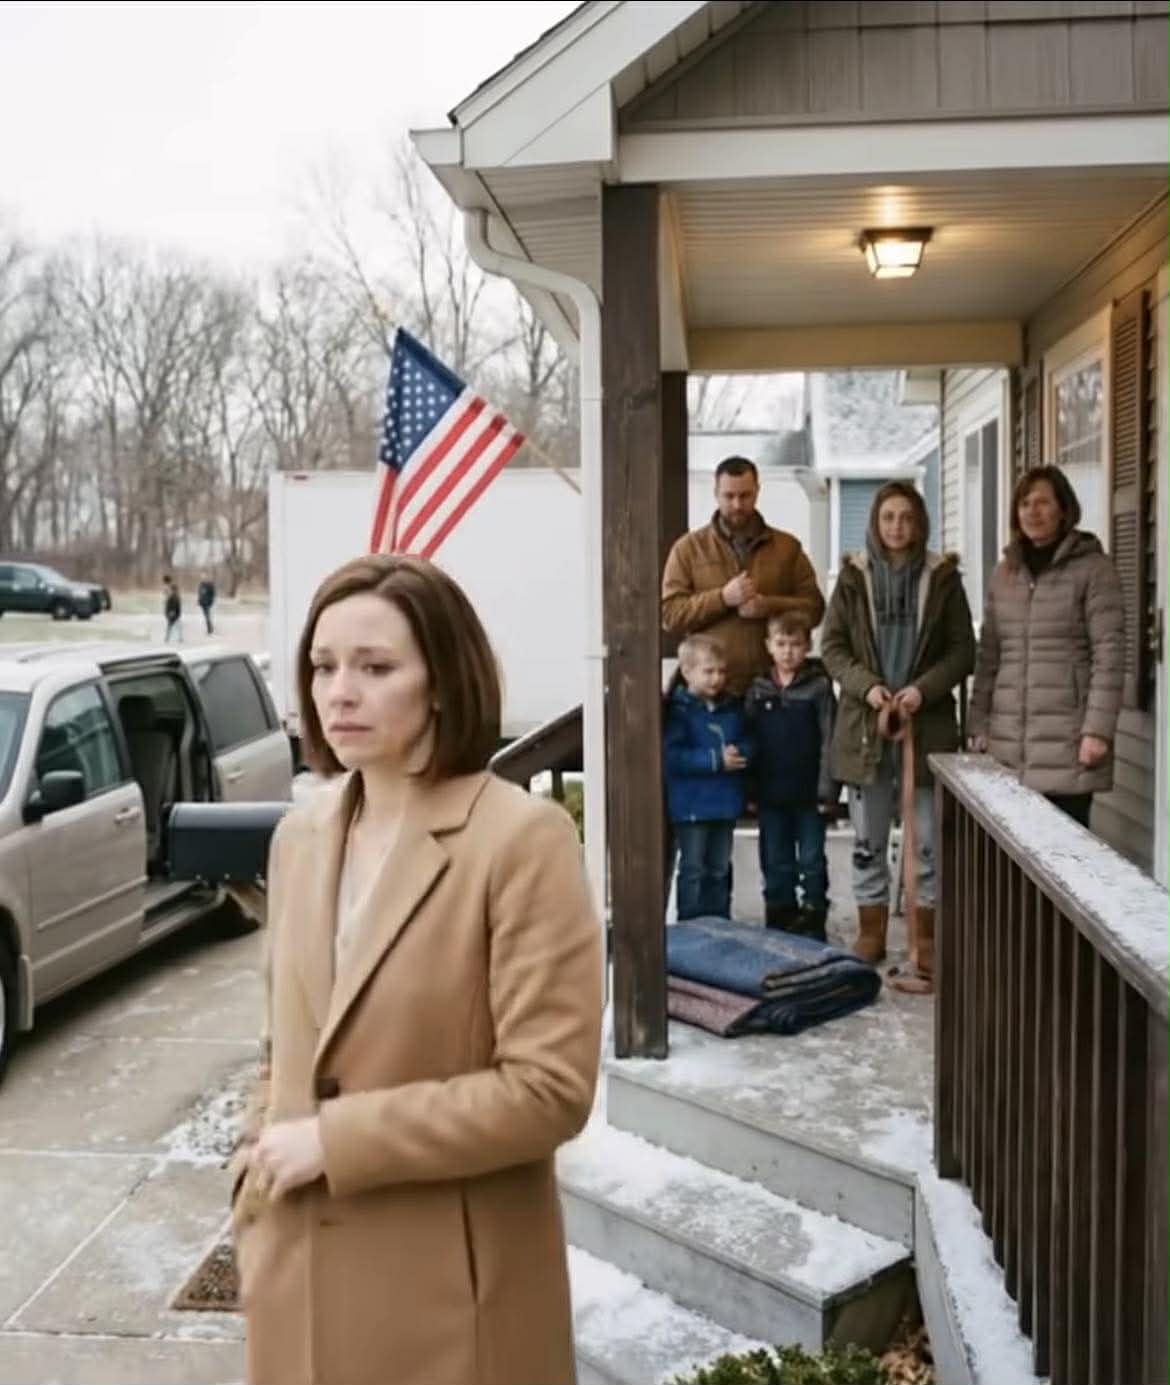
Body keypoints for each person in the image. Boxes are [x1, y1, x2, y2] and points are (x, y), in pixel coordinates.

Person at [230, 554, 602, 1385]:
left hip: (448, 1310)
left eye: (375, 666)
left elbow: (549, 1089)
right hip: (297, 1281)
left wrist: (335, 1139)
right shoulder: (299, 840)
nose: (339, 692)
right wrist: (253, 1175)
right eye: (323, 666)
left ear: (440, 680)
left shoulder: (521, 839)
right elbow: (283, 1048)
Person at [821, 481, 976, 992]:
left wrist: (920, 691)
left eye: (906, 517)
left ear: (919, 521)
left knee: (926, 840)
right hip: (868, 730)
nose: (897, 527)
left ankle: (924, 937)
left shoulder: (943, 578)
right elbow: (834, 648)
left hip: (924, 727)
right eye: (888, 517)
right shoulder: (851, 578)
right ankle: (871, 932)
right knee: (867, 838)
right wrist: (868, 690)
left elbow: (962, 650)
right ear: (875, 522)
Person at [969, 464, 1124, 829]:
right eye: (1024, 503)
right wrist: (978, 723)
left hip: (1068, 744)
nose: (1032, 512)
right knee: (1010, 864)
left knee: (1064, 863)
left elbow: (1110, 654)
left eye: (1042, 503)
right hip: (1008, 745)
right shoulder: (1004, 574)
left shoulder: (1094, 569)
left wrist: (1097, 731)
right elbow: (989, 656)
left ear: (1064, 509)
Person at [662, 456, 826, 695]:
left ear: (757, 492)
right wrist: (722, 599)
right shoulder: (688, 549)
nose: (737, 504)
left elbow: (815, 608)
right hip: (714, 691)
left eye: (745, 495)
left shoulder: (787, 547)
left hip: (772, 690)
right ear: (716, 493)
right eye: (729, 496)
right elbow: (670, 615)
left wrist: (769, 605)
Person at [745, 611, 838, 939]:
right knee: (775, 859)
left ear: (808, 646)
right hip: (770, 792)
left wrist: (828, 790)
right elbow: (749, 740)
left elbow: (830, 739)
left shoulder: (819, 687)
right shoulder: (758, 689)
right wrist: (750, 790)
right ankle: (779, 916)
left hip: (809, 792)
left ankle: (813, 916)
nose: (788, 652)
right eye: (781, 644)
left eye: (795, 644)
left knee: (811, 859)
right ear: (768, 646)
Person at [664, 634, 751, 920]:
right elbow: (673, 756)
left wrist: (743, 752)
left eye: (721, 671)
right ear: (687, 671)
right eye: (709, 671)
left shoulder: (732, 708)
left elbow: (750, 739)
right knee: (693, 869)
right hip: (691, 806)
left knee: (720, 868)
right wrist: (716, 760)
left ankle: (720, 923)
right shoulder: (678, 712)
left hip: (724, 803)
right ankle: (690, 927)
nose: (716, 678)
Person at [162, 576, 182, 643]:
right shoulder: (170, 589)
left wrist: (172, 611)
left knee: (172, 624)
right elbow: (167, 599)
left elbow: (173, 601)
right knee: (175, 624)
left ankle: (168, 638)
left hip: (173, 610)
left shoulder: (172, 590)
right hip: (171, 610)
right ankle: (178, 637)